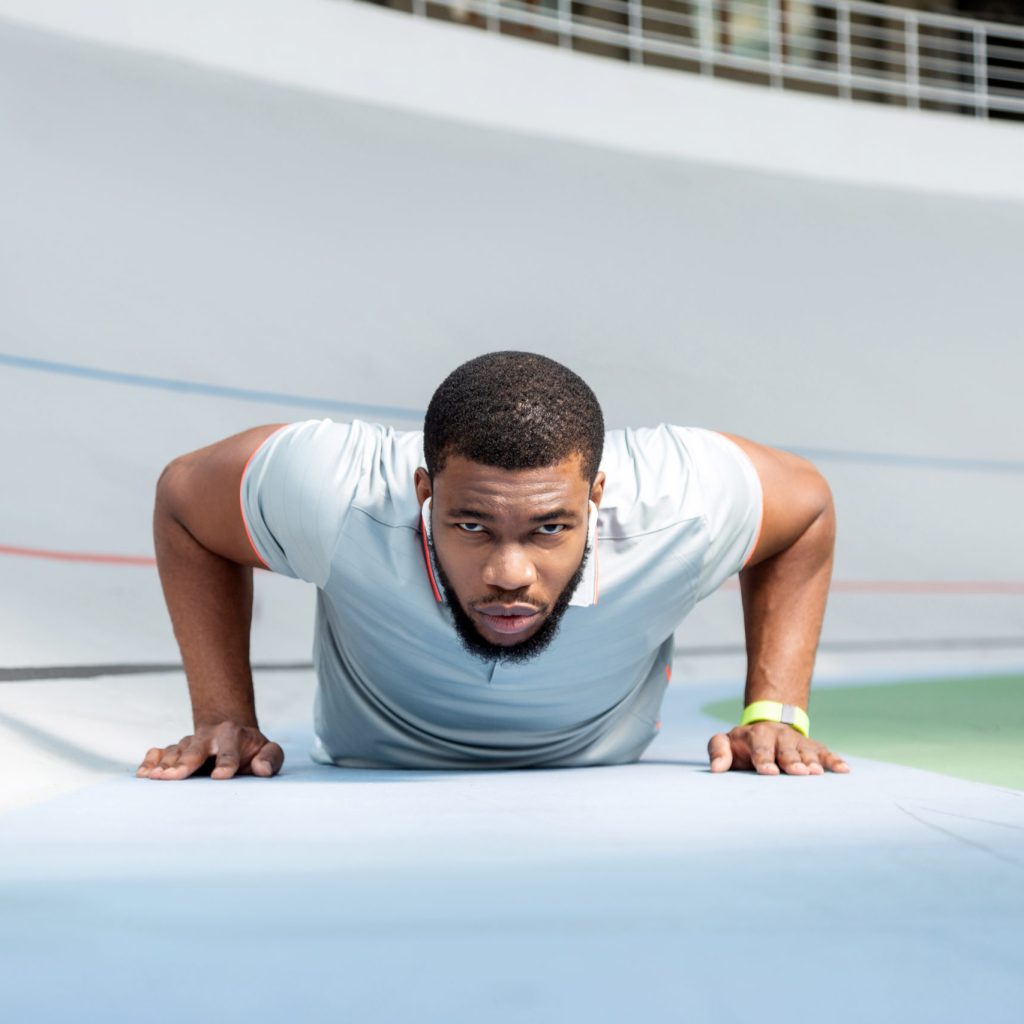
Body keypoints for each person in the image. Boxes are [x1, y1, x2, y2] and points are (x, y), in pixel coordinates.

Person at [138, 351, 849, 781]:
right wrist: (223, 715)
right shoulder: (338, 493)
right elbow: (183, 503)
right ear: (424, 492)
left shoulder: (679, 506)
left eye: (549, 528)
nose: (510, 572)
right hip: (374, 767)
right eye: (472, 525)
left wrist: (773, 711)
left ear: (597, 498)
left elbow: (806, 511)